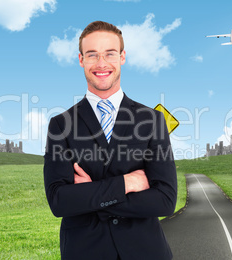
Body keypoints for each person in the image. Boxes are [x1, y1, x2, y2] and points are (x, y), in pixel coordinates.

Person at [43, 20, 177, 260]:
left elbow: (165, 201)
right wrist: (126, 183)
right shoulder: (60, 125)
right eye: (92, 55)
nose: (101, 63)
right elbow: (59, 202)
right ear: (81, 59)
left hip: (146, 251)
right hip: (85, 252)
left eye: (110, 54)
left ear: (122, 57)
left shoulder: (153, 120)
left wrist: (90, 194)